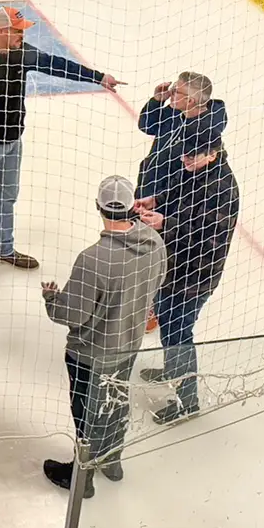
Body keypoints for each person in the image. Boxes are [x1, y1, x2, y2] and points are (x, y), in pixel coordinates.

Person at [0, 6, 124, 269]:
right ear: (1, 31)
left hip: (14, 141)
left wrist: (98, 78)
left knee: (7, 195)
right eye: (17, 31)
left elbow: (56, 65)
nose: (22, 36)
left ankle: (3, 248)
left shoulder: (23, 53)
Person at [40, 175, 167, 497]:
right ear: (131, 205)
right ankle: (112, 461)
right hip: (128, 345)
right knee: (116, 403)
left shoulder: (93, 259)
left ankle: (81, 479)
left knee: (86, 412)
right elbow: (157, 284)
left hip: (91, 354)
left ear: (98, 206)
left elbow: (71, 315)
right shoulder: (154, 243)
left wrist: (52, 299)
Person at [136, 129, 240, 425]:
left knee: (179, 333)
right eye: (184, 153)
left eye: (192, 155)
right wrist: (155, 201)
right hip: (174, 268)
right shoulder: (194, 169)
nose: (185, 159)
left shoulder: (221, 189)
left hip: (194, 278)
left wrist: (165, 223)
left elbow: (207, 239)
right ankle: (173, 370)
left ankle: (188, 401)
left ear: (213, 152)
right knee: (170, 327)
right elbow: (178, 193)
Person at [135, 72, 227, 204]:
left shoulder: (204, 131)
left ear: (189, 101)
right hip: (148, 188)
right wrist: (157, 101)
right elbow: (146, 126)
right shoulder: (177, 111)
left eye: (175, 91)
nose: (170, 92)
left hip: (168, 199)